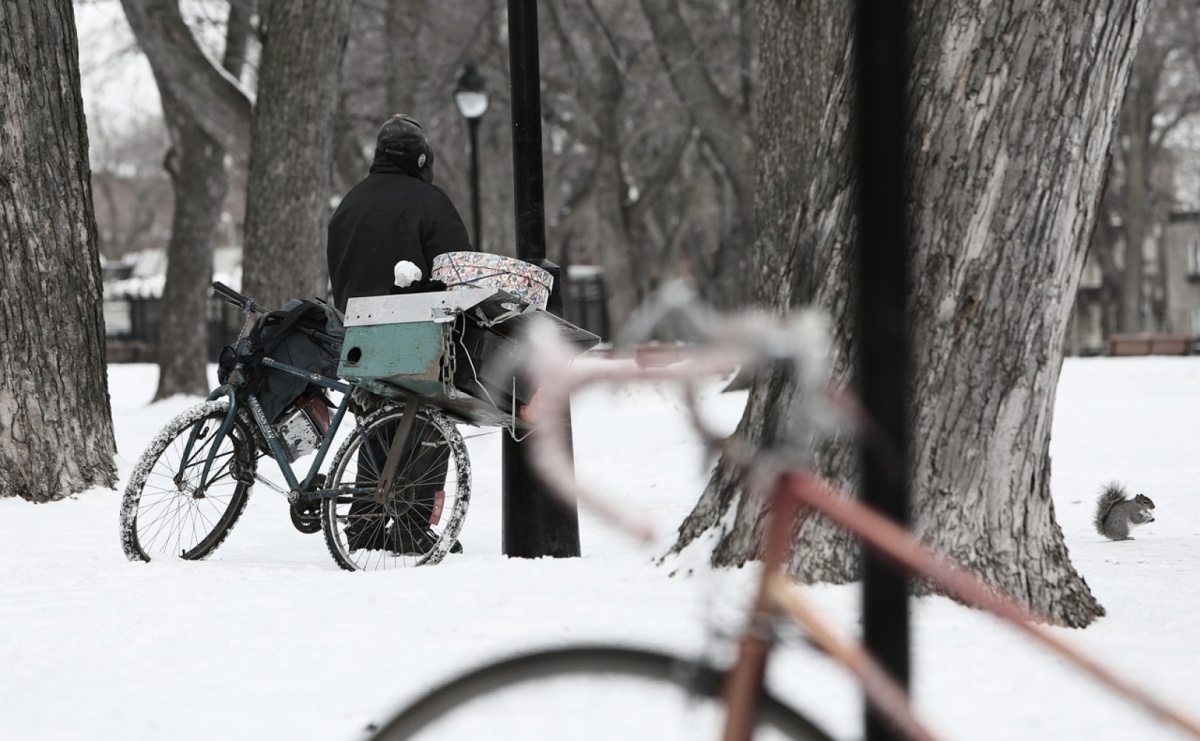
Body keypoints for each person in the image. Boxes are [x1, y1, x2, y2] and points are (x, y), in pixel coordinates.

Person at [326, 113, 474, 556]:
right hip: (416, 331)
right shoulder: (430, 201)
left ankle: (365, 523)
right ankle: (413, 524)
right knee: (429, 423)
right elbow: (457, 268)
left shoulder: (350, 202)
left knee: (376, 424)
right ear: (422, 158)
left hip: (359, 331)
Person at [327, 113, 473, 313]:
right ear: (422, 159)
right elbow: (461, 275)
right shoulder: (431, 201)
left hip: (349, 328)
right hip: (417, 326)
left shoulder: (347, 206)